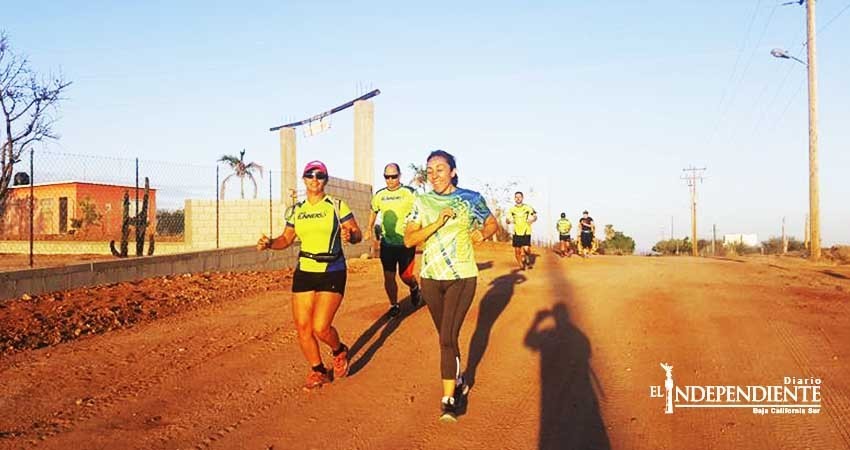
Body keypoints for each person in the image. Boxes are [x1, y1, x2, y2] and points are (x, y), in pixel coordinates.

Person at [404, 150, 498, 423]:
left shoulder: (470, 198)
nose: (434, 175)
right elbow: (410, 240)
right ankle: (460, 380)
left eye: (440, 169)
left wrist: (482, 232)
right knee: (448, 338)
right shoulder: (420, 201)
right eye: (430, 170)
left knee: (446, 338)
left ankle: (449, 400)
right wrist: (437, 222)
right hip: (431, 278)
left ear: (453, 171)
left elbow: (491, 222)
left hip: (462, 275)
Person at [257, 160, 363, 391]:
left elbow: (357, 234)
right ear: (304, 179)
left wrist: (350, 236)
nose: (315, 179)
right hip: (305, 270)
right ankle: (318, 370)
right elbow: (286, 239)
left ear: (325, 180)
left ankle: (339, 350)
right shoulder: (297, 210)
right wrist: (270, 243)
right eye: (310, 175)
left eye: (320, 175)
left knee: (320, 327)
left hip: (332, 270)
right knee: (303, 327)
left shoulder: (336, 205)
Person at [366, 163, 423, 318]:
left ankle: (414, 287)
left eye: (393, 176)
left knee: (405, 276)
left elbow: (422, 210)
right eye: (387, 177)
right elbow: (373, 210)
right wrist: (369, 228)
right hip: (388, 243)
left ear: (400, 175)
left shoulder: (410, 193)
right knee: (389, 276)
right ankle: (394, 305)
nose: (390, 180)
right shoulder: (380, 195)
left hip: (406, 243)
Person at [506, 191, 537, 270]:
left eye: (519, 197)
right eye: (516, 197)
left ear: (522, 198)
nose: (518, 198)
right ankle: (521, 265)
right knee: (517, 251)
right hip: (516, 232)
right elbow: (507, 219)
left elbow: (535, 216)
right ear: (514, 199)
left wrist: (532, 219)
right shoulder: (511, 209)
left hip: (526, 231)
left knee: (526, 249)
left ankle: (527, 258)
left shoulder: (528, 207)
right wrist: (508, 221)